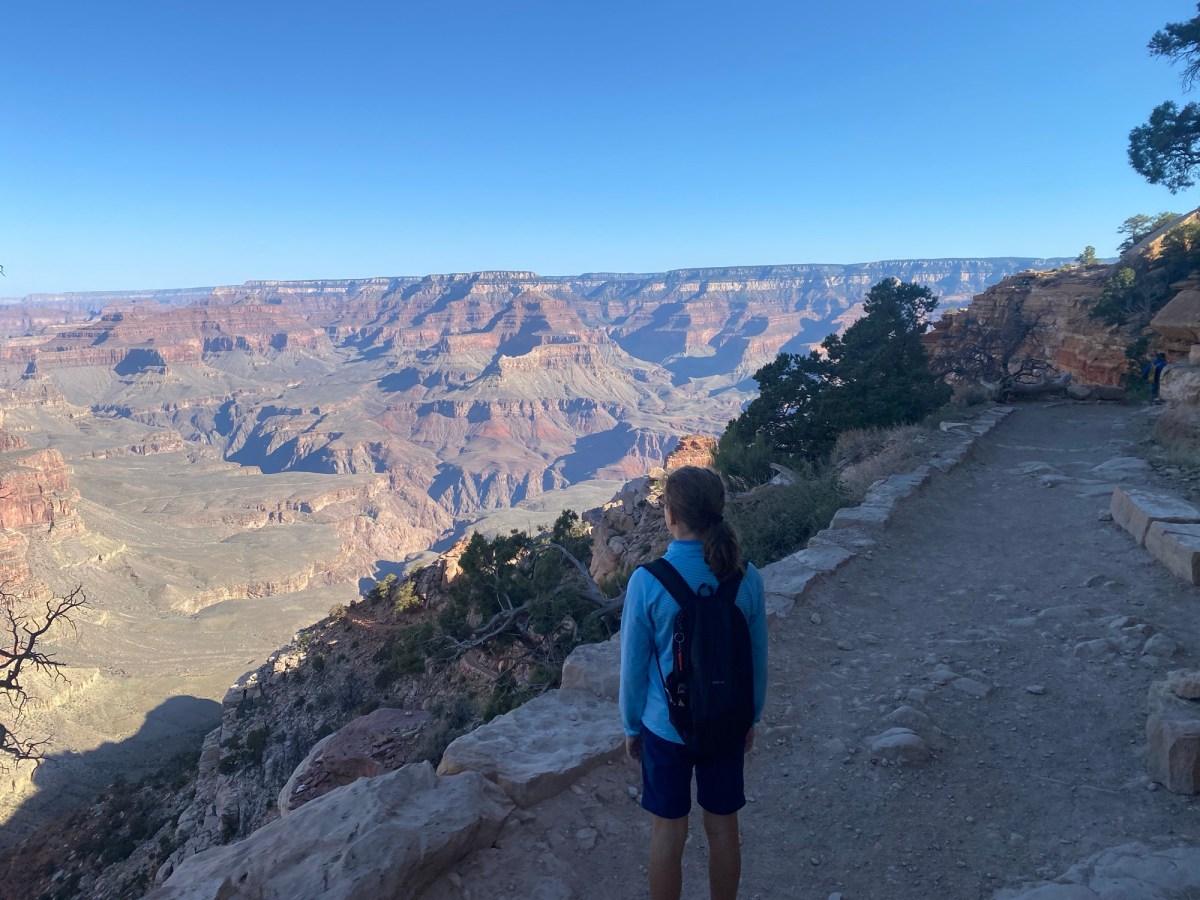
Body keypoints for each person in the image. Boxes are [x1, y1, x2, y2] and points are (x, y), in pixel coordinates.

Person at [619, 466, 768, 900]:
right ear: (717, 511)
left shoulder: (648, 582)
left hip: (667, 729)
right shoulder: (748, 578)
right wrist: (750, 717)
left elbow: (633, 666)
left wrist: (632, 726)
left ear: (670, 516)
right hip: (727, 721)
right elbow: (757, 658)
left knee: (668, 832)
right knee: (723, 827)